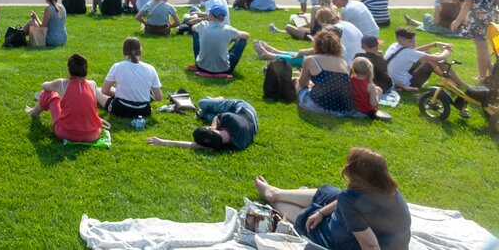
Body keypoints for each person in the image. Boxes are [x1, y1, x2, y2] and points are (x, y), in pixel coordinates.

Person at [254, 148, 410, 250]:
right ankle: (276, 193)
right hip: (395, 243)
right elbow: (346, 199)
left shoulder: (350, 200)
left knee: (307, 219)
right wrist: (322, 212)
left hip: (351, 243)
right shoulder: (388, 188)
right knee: (330, 193)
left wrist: (319, 216)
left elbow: (371, 246)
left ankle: (275, 200)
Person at [25, 52, 106, 142]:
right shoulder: (92, 84)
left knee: (47, 93)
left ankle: (34, 112)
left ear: (69, 69)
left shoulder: (61, 83)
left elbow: (44, 86)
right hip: (93, 134)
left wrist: (56, 89)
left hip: (67, 133)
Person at [145, 97, 259, 151]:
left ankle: (217, 101)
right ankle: (218, 101)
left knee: (203, 109)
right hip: (245, 110)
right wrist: (214, 125)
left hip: (247, 123)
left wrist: (164, 142)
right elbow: (217, 117)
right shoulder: (231, 120)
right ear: (212, 130)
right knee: (204, 108)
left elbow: (193, 145)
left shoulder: (224, 145)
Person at [450, 0, 499, 81]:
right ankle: (491, 71)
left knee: (481, 49)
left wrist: (458, 20)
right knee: (487, 47)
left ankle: (482, 77)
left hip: (477, 19)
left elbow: (467, 5)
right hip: (492, 18)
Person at [384, 26, 466, 96]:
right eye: (410, 42)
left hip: (394, 82)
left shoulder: (394, 45)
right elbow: (440, 58)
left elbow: (415, 51)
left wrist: (435, 44)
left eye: (414, 41)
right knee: (432, 60)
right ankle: (460, 84)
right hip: (408, 84)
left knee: (427, 54)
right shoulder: (408, 52)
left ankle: (449, 81)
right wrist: (447, 49)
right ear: (400, 40)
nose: (414, 44)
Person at [296, 30, 359, 116]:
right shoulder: (343, 62)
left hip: (319, 106)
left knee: (297, 82)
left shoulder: (311, 59)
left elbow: (303, 83)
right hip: (343, 108)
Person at [98, 37, 162, 117]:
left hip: (121, 109)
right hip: (144, 111)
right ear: (140, 51)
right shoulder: (150, 68)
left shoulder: (117, 66)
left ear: (124, 52)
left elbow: (104, 91)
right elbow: (158, 97)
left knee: (97, 90)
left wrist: (117, 94)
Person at [192, 6, 249, 75]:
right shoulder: (228, 30)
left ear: (210, 15)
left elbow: (193, 28)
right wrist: (232, 38)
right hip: (224, 70)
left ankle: (201, 59)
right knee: (242, 40)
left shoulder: (203, 25)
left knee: (196, 32)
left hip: (201, 67)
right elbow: (246, 35)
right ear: (223, 18)